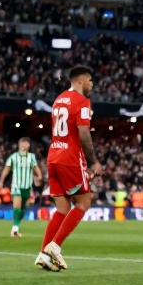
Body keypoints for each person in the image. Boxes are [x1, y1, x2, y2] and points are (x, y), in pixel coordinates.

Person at [37, 65, 103, 272]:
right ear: (81, 81)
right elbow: (83, 133)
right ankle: (54, 247)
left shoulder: (59, 100)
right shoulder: (82, 101)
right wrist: (93, 161)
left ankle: (43, 254)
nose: (92, 84)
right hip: (70, 158)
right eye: (90, 80)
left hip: (53, 157)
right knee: (84, 201)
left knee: (62, 208)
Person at [0, 137, 43, 238]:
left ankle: (16, 224)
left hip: (27, 186)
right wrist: (1, 181)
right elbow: (6, 169)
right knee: (17, 207)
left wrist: (39, 177)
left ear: (29, 145)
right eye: (22, 143)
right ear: (19, 145)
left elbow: (35, 168)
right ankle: (15, 228)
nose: (24, 145)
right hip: (16, 185)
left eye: (26, 143)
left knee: (24, 207)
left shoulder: (31, 157)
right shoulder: (13, 157)